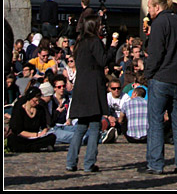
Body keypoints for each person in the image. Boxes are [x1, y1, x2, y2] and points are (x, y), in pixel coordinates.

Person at [142, 0, 177, 176]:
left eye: (150, 7)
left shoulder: (159, 23)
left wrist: (148, 74)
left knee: (155, 122)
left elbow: (155, 53)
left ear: (157, 7)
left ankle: (155, 163)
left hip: (161, 77)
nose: (149, 11)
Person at [65, 15, 108, 173]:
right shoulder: (94, 41)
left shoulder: (79, 42)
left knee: (81, 126)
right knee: (95, 125)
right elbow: (102, 61)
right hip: (93, 86)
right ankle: (89, 163)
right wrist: (109, 46)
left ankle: (71, 161)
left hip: (81, 85)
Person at [7, 87, 56, 152]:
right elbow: (18, 131)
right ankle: (34, 147)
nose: (37, 103)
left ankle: (32, 147)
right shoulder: (19, 110)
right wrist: (35, 135)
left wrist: (44, 131)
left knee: (52, 137)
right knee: (13, 139)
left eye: (38, 100)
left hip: (36, 137)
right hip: (23, 137)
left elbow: (44, 125)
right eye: (35, 101)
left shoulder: (40, 109)